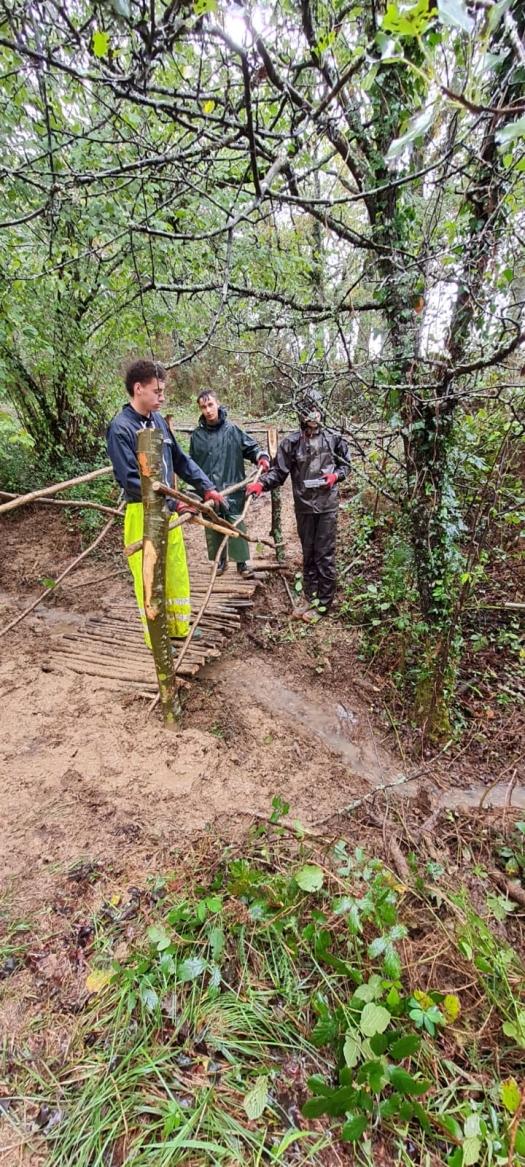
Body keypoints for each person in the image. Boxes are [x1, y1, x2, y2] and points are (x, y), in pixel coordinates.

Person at [107, 359, 225, 647]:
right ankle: (158, 638)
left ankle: (178, 627)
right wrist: (175, 503)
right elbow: (131, 481)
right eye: (157, 391)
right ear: (138, 389)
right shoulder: (120, 428)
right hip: (142, 512)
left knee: (174, 568)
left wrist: (206, 487)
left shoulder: (157, 421)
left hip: (168, 508)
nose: (162, 397)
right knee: (149, 577)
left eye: (163, 391)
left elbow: (180, 460)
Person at [247, 391, 350, 620]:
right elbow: (279, 472)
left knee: (324, 554)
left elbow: (346, 466)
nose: (313, 415)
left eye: (316, 409)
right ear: (301, 414)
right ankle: (309, 598)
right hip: (304, 506)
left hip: (327, 506)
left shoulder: (333, 439)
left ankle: (323, 604)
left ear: (322, 411)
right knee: (308, 553)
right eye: (308, 410)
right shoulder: (292, 442)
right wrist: (260, 485)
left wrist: (335, 477)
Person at [189, 390, 269, 577]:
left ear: (218, 403)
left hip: (232, 487)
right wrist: (195, 489)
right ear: (200, 409)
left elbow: (252, 447)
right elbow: (191, 465)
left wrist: (261, 457)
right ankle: (219, 561)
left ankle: (242, 564)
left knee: (235, 523)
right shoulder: (197, 436)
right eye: (203, 407)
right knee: (212, 523)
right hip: (208, 490)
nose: (208, 410)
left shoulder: (232, 430)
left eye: (210, 405)